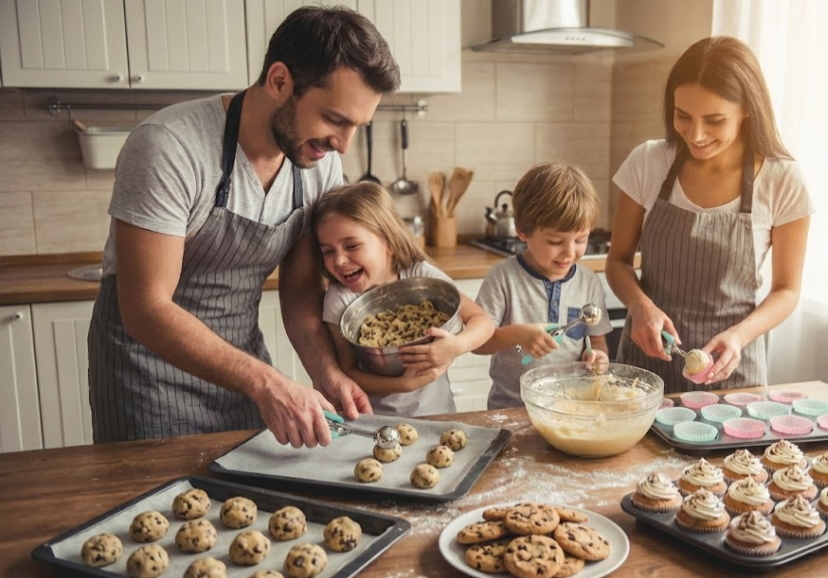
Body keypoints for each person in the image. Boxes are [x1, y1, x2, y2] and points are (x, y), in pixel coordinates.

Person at [87, 6, 401, 447]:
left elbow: (297, 291)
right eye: (334, 119)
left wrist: (326, 374)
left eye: (357, 126)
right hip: (146, 378)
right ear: (279, 81)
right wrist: (267, 383)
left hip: (241, 371)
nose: (342, 145)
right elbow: (145, 310)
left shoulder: (319, 164)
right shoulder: (170, 147)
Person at [606, 36, 814, 394]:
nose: (696, 134)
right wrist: (640, 307)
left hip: (732, 374)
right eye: (682, 116)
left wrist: (739, 336)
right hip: (644, 369)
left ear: (748, 108)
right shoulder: (648, 162)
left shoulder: (783, 180)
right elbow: (618, 261)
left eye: (714, 120)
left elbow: (787, 290)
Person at [313, 182, 495, 416]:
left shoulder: (421, 275)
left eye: (352, 245)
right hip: (375, 423)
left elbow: (483, 322)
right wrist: (404, 385)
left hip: (438, 414)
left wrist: (456, 346)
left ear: (388, 242)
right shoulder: (339, 299)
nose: (338, 261)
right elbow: (347, 371)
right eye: (328, 251)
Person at [474, 163, 613, 409]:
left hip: (573, 407)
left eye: (581, 239)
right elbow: (478, 344)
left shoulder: (589, 282)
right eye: (555, 241)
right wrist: (518, 334)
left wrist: (599, 358)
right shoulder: (503, 278)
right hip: (511, 408)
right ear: (522, 231)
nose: (569, 253)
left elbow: (597, 341)